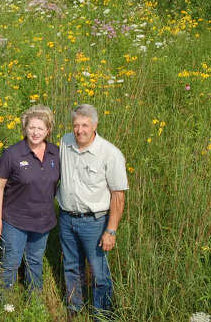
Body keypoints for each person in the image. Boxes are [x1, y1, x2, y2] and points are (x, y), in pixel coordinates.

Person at [57, 104, 128, 321]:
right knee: (71, 266)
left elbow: (118, 195)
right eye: (76, 125)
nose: (80, 130)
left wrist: (111, 231)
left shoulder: (110, 153)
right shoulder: (65, 142)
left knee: (99, 273)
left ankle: (101, 314)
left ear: (95, 125)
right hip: (66, 218)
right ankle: (75, 308)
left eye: (85, 125)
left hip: (95, 223)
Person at [0, 105, 61, 298]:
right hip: (15, 221)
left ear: (48, 130)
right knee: (11, 261)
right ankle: (4, 302)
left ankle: (34, 302)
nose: (35, 132)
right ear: (25, 128)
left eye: (40, 128)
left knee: (35, 261)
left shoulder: (56, 153)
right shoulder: (12, 154)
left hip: (43, 221)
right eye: (31, 127)